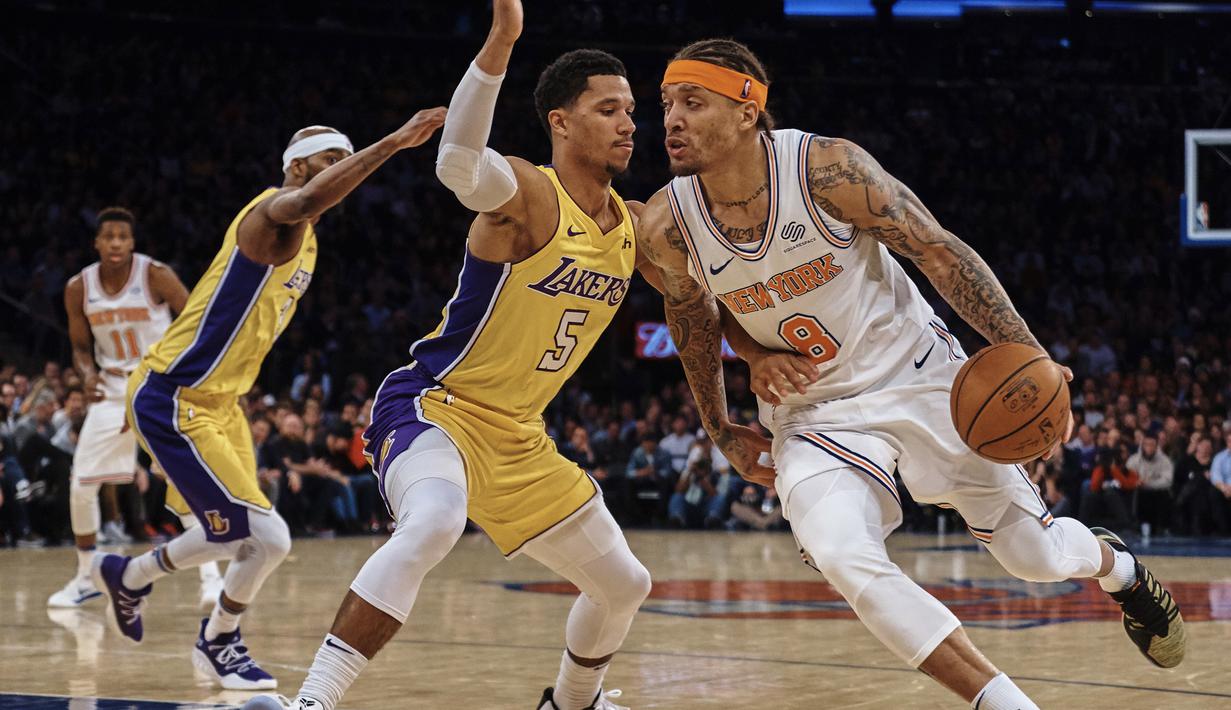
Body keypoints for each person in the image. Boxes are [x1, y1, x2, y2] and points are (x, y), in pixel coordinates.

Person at [636, 37, 1187, 709]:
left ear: (749, 109)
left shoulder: (826, 170)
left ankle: (1118, 568)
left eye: (692, 102)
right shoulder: (666, 224)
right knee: (841, 554)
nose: (670, 120)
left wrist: (1032, 355)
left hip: (920, 376)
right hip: (815, 414)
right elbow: (693, 319)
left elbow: (940, 254)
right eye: (665, 103)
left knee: (1033, 558)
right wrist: (728, 409)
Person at [252, 4, 652, 709]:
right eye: (608, 109)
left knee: (625, 584)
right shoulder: (527, 192)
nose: (627, 122)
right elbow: (458, 162)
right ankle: (310, 703)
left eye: (630, 110)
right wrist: (502, 41)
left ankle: (571, 704)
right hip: (436, 405)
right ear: (560, 121)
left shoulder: (638, 223)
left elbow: (716, 288)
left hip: (519, 436)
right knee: (435, 520)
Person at [90, 107, 446, 691]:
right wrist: (395, 142)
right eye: (334, 161)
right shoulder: (271, 213)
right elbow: (302, 203)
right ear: (298, 165)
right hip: (174, 394)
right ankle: (216, 639)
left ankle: (129, 576)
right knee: (266, 536)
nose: (344, 171)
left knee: (237, 533)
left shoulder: (308, 243)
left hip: (220, 405)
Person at [48, 207, 226, 612]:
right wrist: (86, 373)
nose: (115, 244)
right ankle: (85, 577)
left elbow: (196, 321)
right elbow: (79, 346)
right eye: (108, 236)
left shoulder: (155, 275)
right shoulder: (79, 287)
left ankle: (211, 579)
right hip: (111, 389)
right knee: (81, 485)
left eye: (122, 237)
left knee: (183, 481)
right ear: (96, 242)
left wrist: (188, 373)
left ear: (132, 242)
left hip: (157, 385)